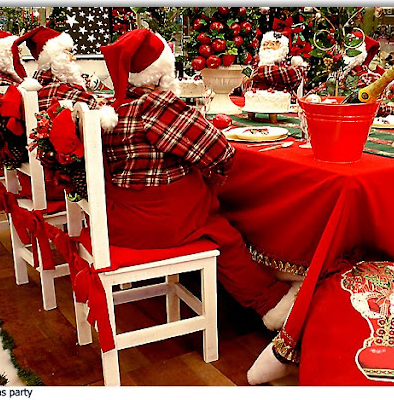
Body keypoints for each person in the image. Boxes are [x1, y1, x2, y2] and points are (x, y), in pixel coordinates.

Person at [99, 29, 299, 331]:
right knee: (225, 235)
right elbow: (219, 151)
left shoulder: (113, 107)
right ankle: (269, 304)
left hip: (119, 222)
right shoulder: (157, 106)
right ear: (160, 72)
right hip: (159, 223)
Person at [11, 27, 106, 111]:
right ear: (56, 57)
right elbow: (92, 104)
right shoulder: (57, 90)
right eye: (68, 52)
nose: (73, 58)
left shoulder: (43, 84)